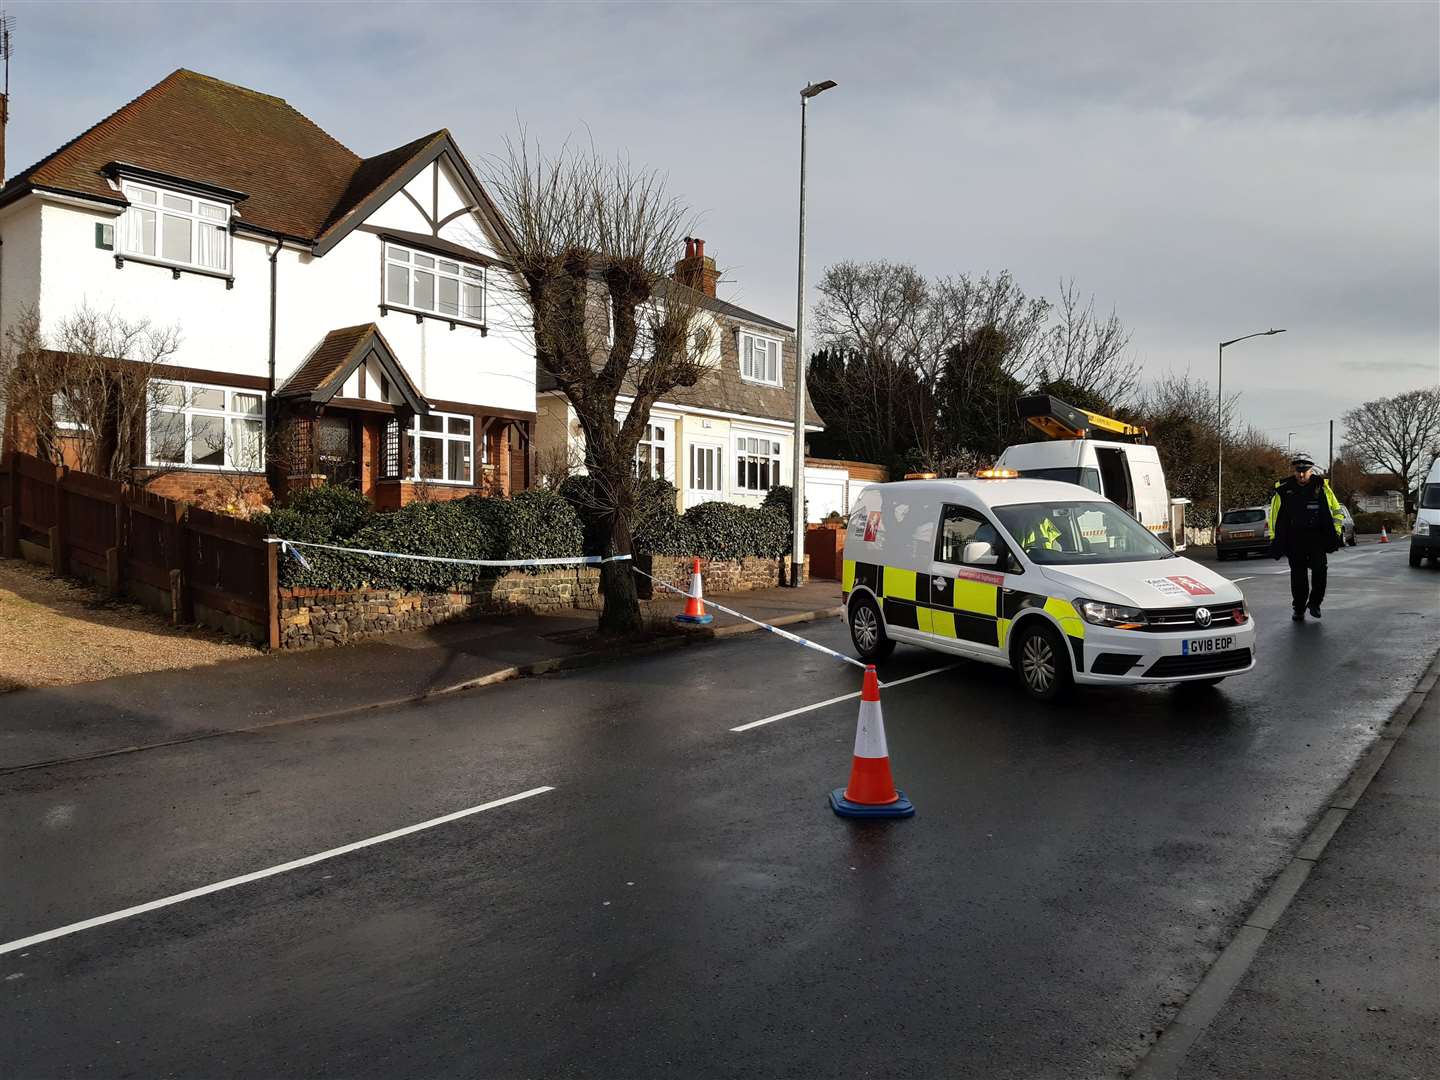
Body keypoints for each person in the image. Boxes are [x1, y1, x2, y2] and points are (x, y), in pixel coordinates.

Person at [1268, 450, 1345, 620]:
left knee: (1320, 573)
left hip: (1317, 539)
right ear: (1294, 471)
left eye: (1305, 470)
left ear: (1311, 471)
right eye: (1298, 470)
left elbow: (1337, 511)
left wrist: (1336, 532)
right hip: (1295, 540)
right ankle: (1299, 608)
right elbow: (1274, 517)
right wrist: (1275, 538)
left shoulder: (1322, 487)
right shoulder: (1284, 490)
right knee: (1298, 578)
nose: (1301, 474)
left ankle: (1315, 604)